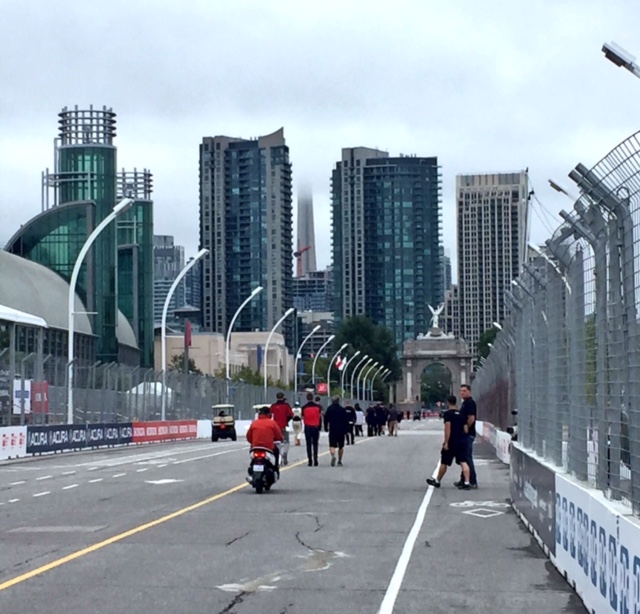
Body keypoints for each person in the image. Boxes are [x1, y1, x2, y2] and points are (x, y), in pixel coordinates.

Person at [427, 395, 471, 489]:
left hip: (451, 441)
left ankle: (437, 481)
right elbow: (466, 429)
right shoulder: (461, 414)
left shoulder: (448, 414)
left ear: (448, 402)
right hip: (461, 441)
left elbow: (448, 428)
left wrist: (446, 442)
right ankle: (467, 482)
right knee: (463, 462)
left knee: (444, 462)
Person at [246, 406, 283, 475]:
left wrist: (254, 442)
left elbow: (248, 437)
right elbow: (279, 436)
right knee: (277, 452)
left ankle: (252, 466)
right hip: (268, 447)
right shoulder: (272, 423)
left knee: (252, 455)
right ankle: (276, 468)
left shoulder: (254, 423)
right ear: (269, 414)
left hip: (255, 447)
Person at [456, 384, 478, 489]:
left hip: (468, 434)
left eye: (464, 391)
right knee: (464, 457)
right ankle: (464, 479)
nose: (462, 393)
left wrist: (466, 429)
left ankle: (472, 480)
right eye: (461, 391)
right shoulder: (465, 403)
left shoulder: (470, 403)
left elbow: (471, 418)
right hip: (465, 434)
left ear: (469, 391)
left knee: (468, 458)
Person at [269, 392, 294, 465]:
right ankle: (285, 453)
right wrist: (287, 420)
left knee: (277, 442)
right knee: (286, 441)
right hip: (285, 426)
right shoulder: (286, 405)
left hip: (275, 427)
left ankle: (279, 455)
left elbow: (269, 416)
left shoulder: (273, 406)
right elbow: (291, 415)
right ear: (283, 397)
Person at [324, 396, 349, 466]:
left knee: (332, 445)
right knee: (341, 446)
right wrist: (346, 430)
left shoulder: (329, 409)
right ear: (339, 401)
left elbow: (326, 419)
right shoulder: (342, 409)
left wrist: (326, 427)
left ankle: (333, 456)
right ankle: (340, 461)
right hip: (341, 430)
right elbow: (346, 420)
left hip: (333, 429)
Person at [301, 392, 322, 466]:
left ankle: (310, 460)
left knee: (308, 444)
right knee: (315, 443)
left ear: (307, 398)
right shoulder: (318, 407)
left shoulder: (304, 407)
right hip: (315, 427)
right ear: (313, 398)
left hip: (308, 427)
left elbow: (302, 417)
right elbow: (320, 416)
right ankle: (315, 459)